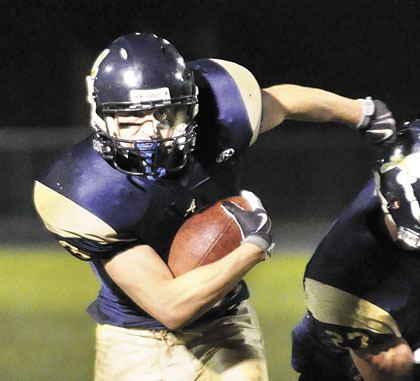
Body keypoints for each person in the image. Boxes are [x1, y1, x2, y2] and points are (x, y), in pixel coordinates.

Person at [33, 32, 394, 381]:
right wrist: (253, 246)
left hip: (224, 321)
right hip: (136, 335)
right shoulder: (87, 189)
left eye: (164, 115)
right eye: (130, 120)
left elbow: (282, 103)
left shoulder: (222, 108)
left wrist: (360, 112)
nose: (150, 133)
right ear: (102, 118)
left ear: (190, 106)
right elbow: (170, 306)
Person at [291, 123, 420, 381]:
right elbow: (389, 370)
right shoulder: (339, 276)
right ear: (388, 204)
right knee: (393, 362)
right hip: (351, 363)